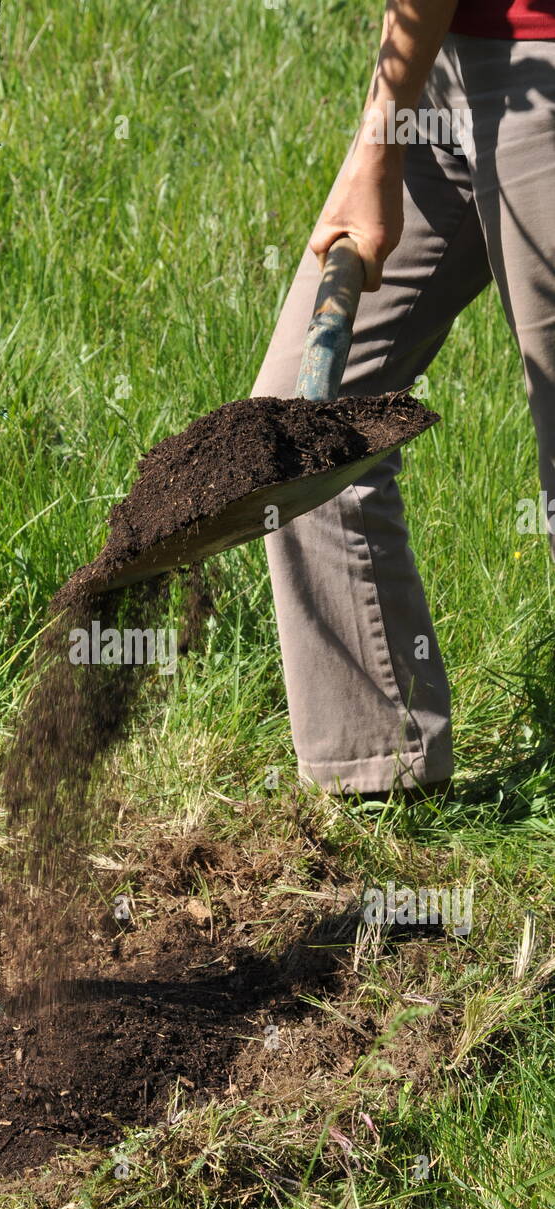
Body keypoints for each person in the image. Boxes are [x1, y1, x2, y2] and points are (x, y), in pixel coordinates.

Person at [252, 0, 555, 796]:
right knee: (299, 419)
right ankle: (381, 774)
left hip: (539, 63)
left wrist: (374, 147)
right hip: (441, 63)